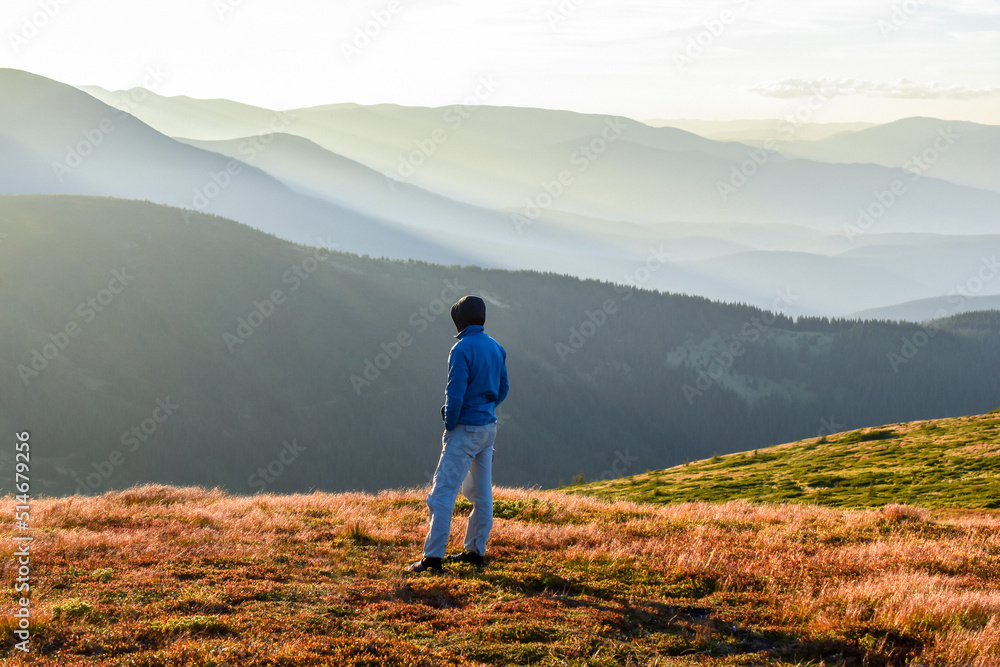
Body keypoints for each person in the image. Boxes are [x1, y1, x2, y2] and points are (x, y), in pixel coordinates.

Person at [408, 295, 509, 573]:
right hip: (488, 428)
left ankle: (432, 559)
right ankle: (475, 552)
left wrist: (450, 423)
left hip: (464, 429)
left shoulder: (461, 349)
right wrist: (485, 408)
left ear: (459, 320)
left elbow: (454, 394)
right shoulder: (496, 348)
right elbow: (503, 388)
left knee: (442, 493)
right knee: (481, 493)